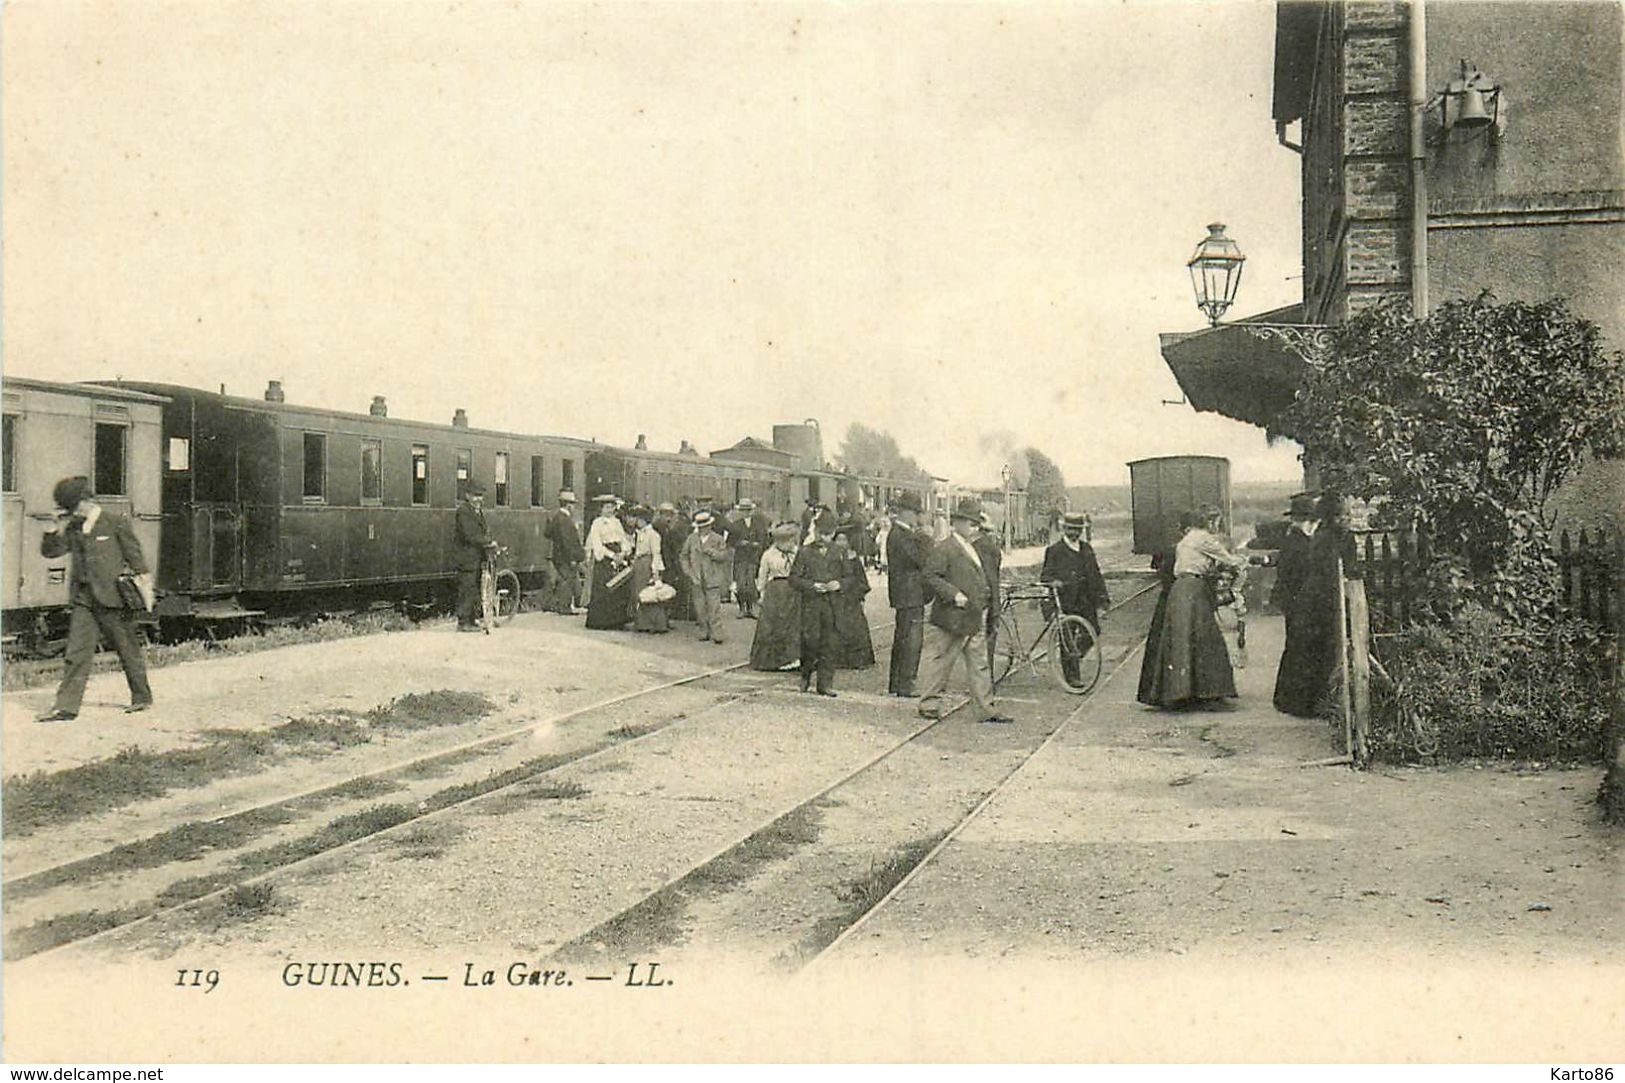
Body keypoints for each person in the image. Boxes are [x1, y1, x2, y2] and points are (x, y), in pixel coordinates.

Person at [36, 476, 155, 721]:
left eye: (72, 507)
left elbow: (136, 559)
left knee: (127, 648)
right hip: (84, 599)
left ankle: (141, 697)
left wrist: (146, 591)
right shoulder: (74, 528)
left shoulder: (114, 523)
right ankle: (66, 707)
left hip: (113, 599)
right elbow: (51, 552)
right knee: (76, 652)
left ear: (84, 502)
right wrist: (51, 528)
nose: (71, 512)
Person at [1137, 505, 1244, 709]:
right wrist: (1248, 561)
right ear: (1211, 521)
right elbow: (1229, 560)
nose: (1217, 526)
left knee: (1180, 640)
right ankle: (1208, 692)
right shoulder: (1203, 538)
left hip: (1180, 590)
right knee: (1206, 638)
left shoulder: (1188, 539)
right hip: (1194, 589)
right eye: (1216, 522)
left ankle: (1179, 692)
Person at [917, 500, 1013, 724]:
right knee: (943, 660)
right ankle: (928, 705)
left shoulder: (973, 546)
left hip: (974, 614)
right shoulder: (946, 548)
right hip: (953, 616)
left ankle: (985, 709)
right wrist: (953, 594)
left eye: (976, 524)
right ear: (958, 523)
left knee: (979, 663)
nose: (975, 528)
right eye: (970, 523)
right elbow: (930, 576)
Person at [1277, 493, 1358, 717]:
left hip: (1317, 598)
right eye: (1341, 516)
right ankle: (1304, 704)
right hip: (1315, 600)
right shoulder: (1321, 539)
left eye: (1348, 516)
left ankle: (1305, 701)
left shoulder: (1325, 538)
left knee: (1312, 649)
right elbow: (1326, 572)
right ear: (1329, 518)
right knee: (1310, 650)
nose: (1346, 520)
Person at [1040, 510, 1111, 687]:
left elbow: (1095, 574)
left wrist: (1103, 598)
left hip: (1086, 599)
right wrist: (1054, 582)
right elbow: (1045, 575)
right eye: (1070, 529)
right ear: (1064, 529)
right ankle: (1072, 676)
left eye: (1077, 529)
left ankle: (1076, 655)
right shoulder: (1054, 551)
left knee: (1093, 631)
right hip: (1066, 601)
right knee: (1067, 638)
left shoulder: (1087, 549)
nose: (1074, 533)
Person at [1271, 493, 1321, 713]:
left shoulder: (1291, 539)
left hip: (1292, 601)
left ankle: (1285, 699)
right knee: (1300, 648)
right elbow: (1299, 575)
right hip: (1299, 601)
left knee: (1294, 647)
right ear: (1308, 521)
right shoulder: (1300, 543)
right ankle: (1297, 703)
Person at [789, 519, 843, 695]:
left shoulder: (840, 552)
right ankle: (805, 675)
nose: (823, 538)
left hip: (832, 605)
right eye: (820, 533)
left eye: (827, 535)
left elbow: (852, 578)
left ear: (833, 533)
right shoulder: (805, 552)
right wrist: (811, 586)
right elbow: (794, 578)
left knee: (830, 643)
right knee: (810, 642)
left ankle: (825, 684)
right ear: (815, 532)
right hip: (811, 604)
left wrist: (839, 584)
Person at [883, 493, 928, 697]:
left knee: (903, 638)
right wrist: (926, 536)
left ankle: (897, 682)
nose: (918, 518)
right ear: (907, 513)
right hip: (910, 593)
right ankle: (906, 684)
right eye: (916, 513)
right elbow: (918, 558)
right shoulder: (902, 535)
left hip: (905, 593)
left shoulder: (898, 533)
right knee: (912, 639)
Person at [749, 522, 802, 671]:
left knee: (793, 624)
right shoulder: (768, 555)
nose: (790, 543)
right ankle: (771, 660)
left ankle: (793, 658)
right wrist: (761, 593)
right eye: (787, 540)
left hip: (793, 590)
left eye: (791, 540)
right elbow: (762, 575)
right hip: (775, 591)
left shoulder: (797, 552)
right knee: (772, 624)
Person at [681, 511, 732, 643]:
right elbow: (683, 556)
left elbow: (724, 556)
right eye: (701, 527)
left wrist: (713, 553)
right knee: (699, 607)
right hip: (696, 577)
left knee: (714, 606)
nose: (704, 529)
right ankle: (704, 630)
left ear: (710, 525)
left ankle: (717, 632)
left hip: (713, 577)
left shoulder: (718, 539)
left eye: (706, 526)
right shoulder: (691, 539)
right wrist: (689, 572)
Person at [830, 523, 875, 668]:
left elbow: (862, 582)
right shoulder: (831, 558)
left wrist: (858, 595)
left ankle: (857, 659)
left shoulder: (855, 560)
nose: (841, 543)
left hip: (851, 600)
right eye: (838, 540)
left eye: (844, 540)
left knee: (855, 627)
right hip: (836, 598)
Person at [584, 494, 632, 630]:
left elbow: (623, 539)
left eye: (611, 507)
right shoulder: (597, 523)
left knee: (619, 587)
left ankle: (617, 620)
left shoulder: (617, 522)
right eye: (607, 507)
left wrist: (623, 552)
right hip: (605, 558)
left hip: (618, 555)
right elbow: (597, 543)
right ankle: (602, 621)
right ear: (601, 509)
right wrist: (611, 555)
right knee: (604, 587)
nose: (609, 510)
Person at [453, 480, 495, 631]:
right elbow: (469, 534)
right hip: (467, 558)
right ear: (467, 496)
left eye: (481, 496)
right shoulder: (463, 511)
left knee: (474, 589)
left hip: (476, 558)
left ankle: (471, 620)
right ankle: (463, 622)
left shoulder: (477, 511)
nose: (479, 499)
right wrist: (487, 541)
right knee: (467, 589)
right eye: (476, 496)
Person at [626, 505, 671, 634]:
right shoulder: (639, 533)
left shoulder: (653, 535)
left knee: (650, 595)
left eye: (637, 519)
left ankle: (656, 624)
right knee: (639, 593)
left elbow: (656, 553)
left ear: (642, 520)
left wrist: (655, 572)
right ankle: (642, 623)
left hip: (648, 564)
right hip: (640, 565)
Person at [542, 489, 586, 615]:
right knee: (567, 580)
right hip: (565, 557)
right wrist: (573, 558)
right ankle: (564, 607)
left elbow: (548, 533)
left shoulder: (557, 517)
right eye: (572, 504)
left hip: (559, 556)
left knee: (568, 579)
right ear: (568, 505)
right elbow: (567, 542)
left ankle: (569, 604)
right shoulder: (565, 520)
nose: (573, 507)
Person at [974, 511, 1004, 676]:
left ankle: (984, 682)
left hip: (980, 600)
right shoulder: (993, 548)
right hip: (990, 598)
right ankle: (987, 679)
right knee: (987, 640)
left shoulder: (979, 547)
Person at [729, 498, 769, 619]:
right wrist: (740, 543)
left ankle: (750, 608)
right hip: (740, 558)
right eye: (743, 510)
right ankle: (742, 608)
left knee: (751, 584)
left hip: (753, 557)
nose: (745, 512)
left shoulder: (758, 524)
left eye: (747, 510)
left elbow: (764, 539)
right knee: (741, 584)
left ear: (751, 511)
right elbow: (730, 541)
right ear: (740, 511)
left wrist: (757, 545)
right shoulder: (735, 525)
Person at [654, 502, 692, 621]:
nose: (668, 517)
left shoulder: (670, 527)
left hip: (670, 559)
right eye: (665, 514)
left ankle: (674, 610)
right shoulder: (658, 526)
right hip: (663, 559)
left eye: (670, 514)